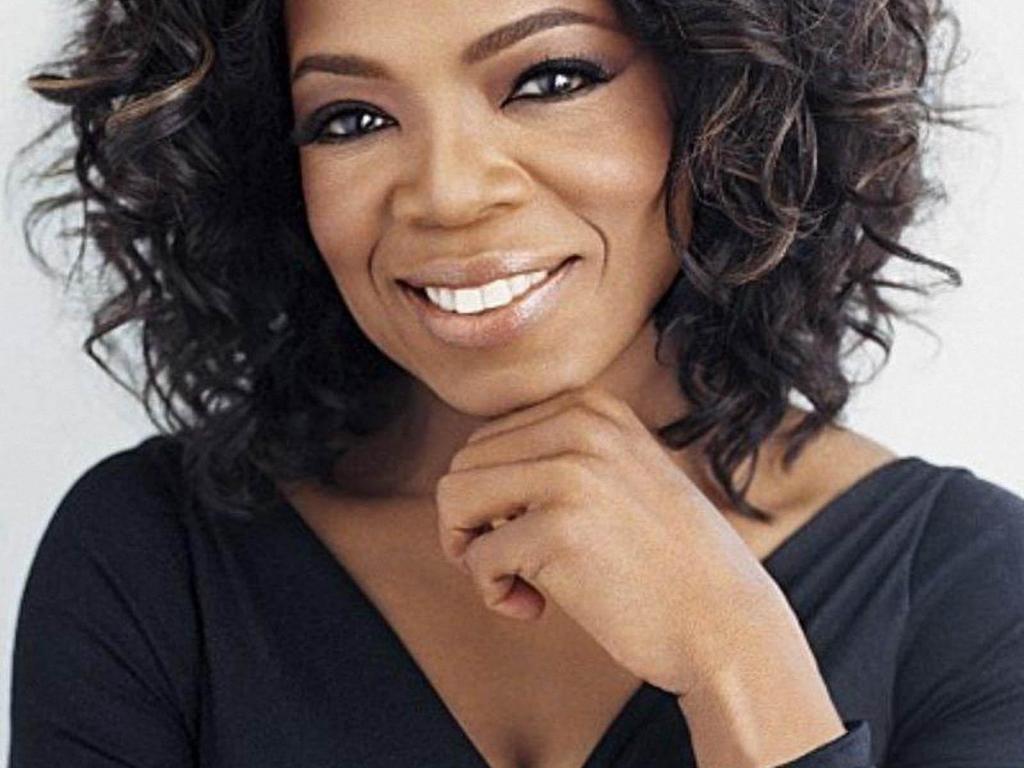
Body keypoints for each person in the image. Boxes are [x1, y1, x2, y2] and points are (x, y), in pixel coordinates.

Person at [8, 0, 1024, 766]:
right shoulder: (157, 555)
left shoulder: (970, 589)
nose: (449, 194)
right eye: (350, 119)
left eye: (549, 79)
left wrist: (734, 660)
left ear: (723, 95)